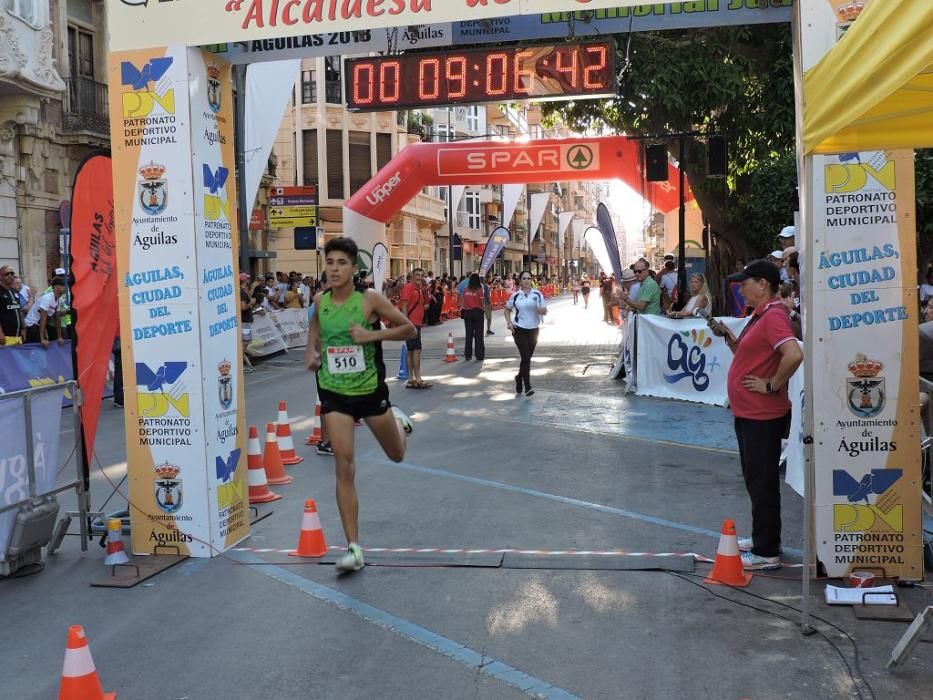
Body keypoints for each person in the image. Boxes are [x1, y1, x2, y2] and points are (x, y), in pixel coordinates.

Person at [304, 237, 416, 573]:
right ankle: (353, 548)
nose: (334, 269)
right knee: (345, 466)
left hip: (369, 391)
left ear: (354, 268)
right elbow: (313, 339)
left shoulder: (369, 300)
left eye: (341, 263)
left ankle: (398, 420)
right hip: (334, 393)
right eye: (330, 262)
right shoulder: (319, 300)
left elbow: (408, 329)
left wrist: (372, 336)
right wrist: (310, 354)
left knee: (397, 454)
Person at [709, 260, 803, 571]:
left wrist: (772, 384)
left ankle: (766, 550)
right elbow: (752, 356)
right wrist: (726, 336)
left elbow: (794, 354)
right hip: (752, 412)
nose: (741, 288)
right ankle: (765, 539)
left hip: (762, 414)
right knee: (756, 479)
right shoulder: (761, 315)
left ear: (763, 284)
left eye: (745, 283)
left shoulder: (773, 315)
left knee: (761, 481)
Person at [504, 270, 547, 397]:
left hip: (534, 329)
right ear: (520, 281)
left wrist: (542, 311)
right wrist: (509, 322)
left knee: (526, 358)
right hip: (519, 329)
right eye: (524, 278)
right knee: (526, 357)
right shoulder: (515, 295)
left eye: (529, 278)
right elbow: (507, 310)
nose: (527, 280)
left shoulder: (537, 294)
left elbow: (544, 310)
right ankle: (527, 386)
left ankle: (518, 377)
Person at [400, 267, 431, 389]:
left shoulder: (417, 289)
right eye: (417, 275)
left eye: (421, 275)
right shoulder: (409, 287)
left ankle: (411, 379)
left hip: (415, 323)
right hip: (412, 324)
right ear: (412, 275)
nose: (419, 277)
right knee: (416, 350)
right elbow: (404, 304)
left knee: (411, 350)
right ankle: (417, 378)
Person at [24, 276, 65, 346]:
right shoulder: (47, 298)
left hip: (39, 325)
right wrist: (42, 339)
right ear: (55, 287)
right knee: (38, 347)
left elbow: (57, 319)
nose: (64, 287)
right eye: (61, 285)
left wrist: (59, 337)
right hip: (31, 325)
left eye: (64, 285)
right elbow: (43, 318)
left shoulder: (58, 299)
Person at [460, 273, 485, 361]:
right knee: (479, 335)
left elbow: (463, 301)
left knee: (468, 335)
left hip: (467, 313)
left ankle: (468, 355)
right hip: (478, 313)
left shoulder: (465, 290)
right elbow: (482, 302)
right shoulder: (479, 290)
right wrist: (484, 310)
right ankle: (479, 355)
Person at [0, 264, 23, 346]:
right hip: (5, 337)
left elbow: (19, 310)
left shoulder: (15, 291)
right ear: (0, 277)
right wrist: (0, 333)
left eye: (12, 273)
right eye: (6, 274)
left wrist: (23, 329)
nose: (10, 276)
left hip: (18, 337)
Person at [239, 273, 255, 373]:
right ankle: (240, 365)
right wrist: (251, 303)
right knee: (244, 343)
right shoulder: (242, 293)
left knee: (245, 343)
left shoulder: (244, 291)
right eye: (248, 278)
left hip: (246, 321)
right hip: (245, 321)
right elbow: (243, 307)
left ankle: (241, 364)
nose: (249, 280)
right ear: (245, 280)